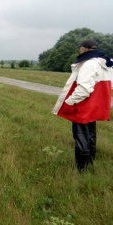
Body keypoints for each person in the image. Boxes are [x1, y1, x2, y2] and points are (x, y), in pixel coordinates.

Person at [52, 39, 113, 172]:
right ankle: (90, 162)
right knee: (90, 134)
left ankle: (82, 169)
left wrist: (70, 100)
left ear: (83, 49)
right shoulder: (106, 63)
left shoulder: (89, 64)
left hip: (84, 105)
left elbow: (84, 88)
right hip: (95, 104)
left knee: (81, 136)